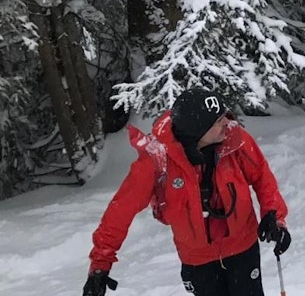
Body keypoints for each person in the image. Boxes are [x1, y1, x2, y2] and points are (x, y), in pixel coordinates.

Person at [82, 88, 291, 296]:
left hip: (243, 249)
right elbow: (121, 210)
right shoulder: (158, 159)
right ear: (198, 130)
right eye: (218, 120)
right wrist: (101, 263)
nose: (227, 123)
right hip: (199, 261)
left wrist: (276, 218)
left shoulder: (236, 141)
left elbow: (262, 176)